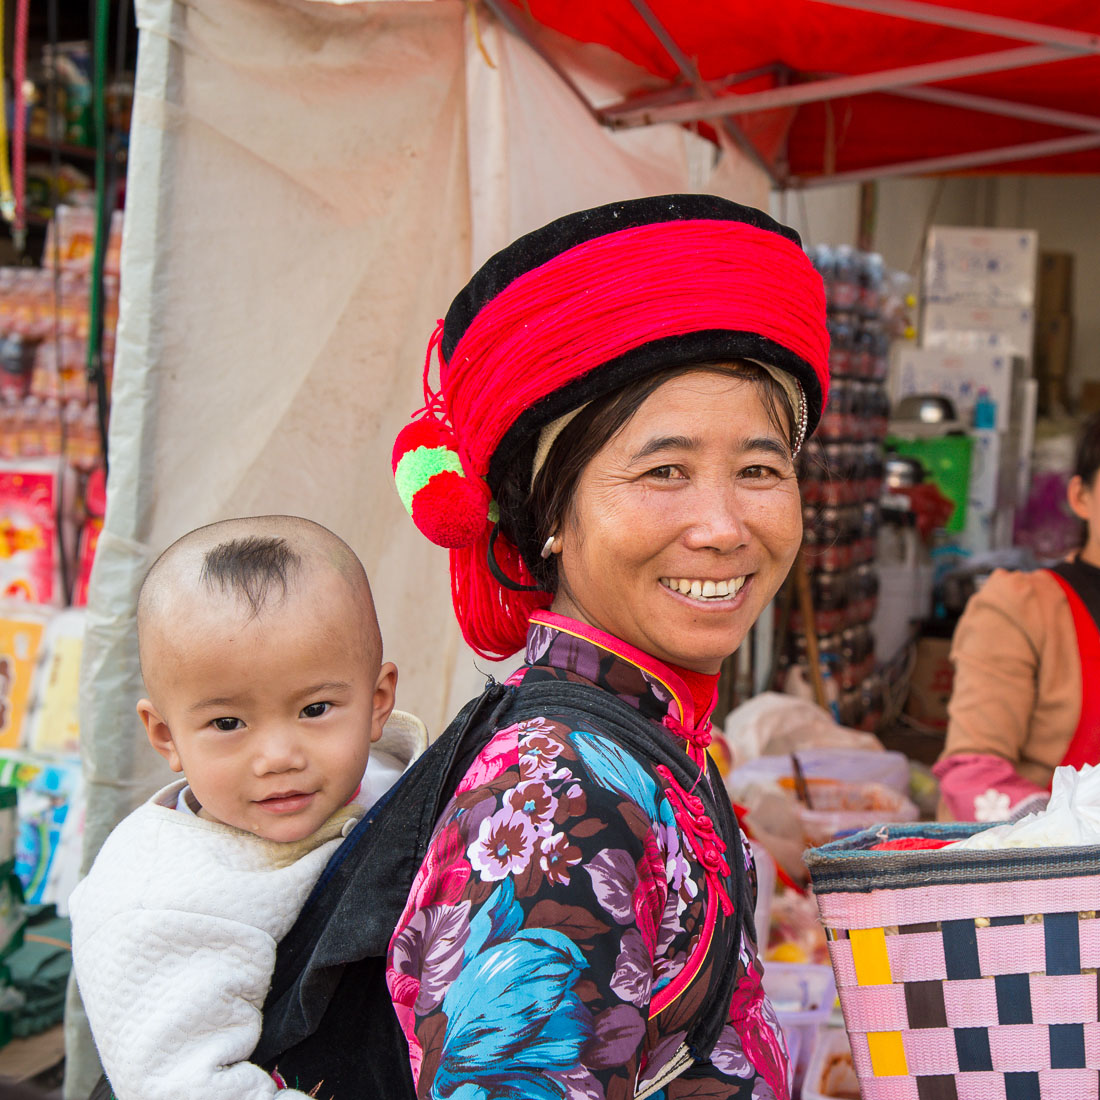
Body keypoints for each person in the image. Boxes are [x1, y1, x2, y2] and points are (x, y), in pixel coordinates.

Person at [257, 195, 830, 1100]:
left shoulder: (645, 738)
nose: (724, 526)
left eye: (760, 470)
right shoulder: (563, 793)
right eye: (663, 471)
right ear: (550, 515)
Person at [69, 515, 426, 1100]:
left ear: (377, 701)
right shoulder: (158, 905)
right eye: (228, 723)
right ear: (165, 737)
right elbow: (186, 1087)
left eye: (315, 710)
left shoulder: (407, 787)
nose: (278, 757)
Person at [935, 411, 1100, 821]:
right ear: (1081, 497)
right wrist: (1066, 831)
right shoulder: (1022, 609)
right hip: (1052, 872)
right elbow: (973, 774)